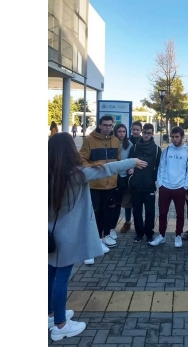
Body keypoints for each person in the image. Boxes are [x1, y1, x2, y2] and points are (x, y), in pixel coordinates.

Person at [48, 133, 146, 341]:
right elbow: (106, 168)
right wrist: (132, 161)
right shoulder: (76, 174)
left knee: (49, 275)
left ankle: (50, 314)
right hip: (65, 238)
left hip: (48, 236)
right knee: (62, 278)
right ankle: (60, 325)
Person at [79, 116, 121, 260]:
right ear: (99, 125)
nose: (108, 128)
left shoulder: (116, 141)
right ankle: (92, 242)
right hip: (95, 185)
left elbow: (118, 161)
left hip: (111, 185)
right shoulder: (89, 140)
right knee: (93, 215)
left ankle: (104, 236)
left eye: (110, 125)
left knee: (108, 212)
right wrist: (93, 166)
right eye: (105, 125)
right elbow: (82, 159)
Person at [151, 126, 188, 248]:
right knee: (162, 213)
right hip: (165, 187)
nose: (174, 139)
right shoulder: (167, 150)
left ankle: (178, 236)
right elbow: (161, 167)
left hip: (180, 187)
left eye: (177, 137)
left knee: (180, 214)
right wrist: (161, 183)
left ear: (182, 137)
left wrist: (185, 186)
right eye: (172, 137)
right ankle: (162, 236)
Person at [128, 123, 162, 243]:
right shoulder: (135, 147)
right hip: (136, 184)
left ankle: (149, 233)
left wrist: (154, 178)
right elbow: (129, 162)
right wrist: (131, 170)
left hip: (149, 186)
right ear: (142, 132)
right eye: (145, 133)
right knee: (136, 211)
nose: (146, 135)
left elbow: (159, 167)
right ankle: (139, 233)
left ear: (152, 134)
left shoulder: (157, 149)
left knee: (150, 212)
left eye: (149, 133)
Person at [109, 124, 133, 235]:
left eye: (124, 131)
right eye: (119, 131)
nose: (122, 134)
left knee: (126, 202)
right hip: (113, 177)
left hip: (125, 178)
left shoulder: (129, 145)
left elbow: (132, 160)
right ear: (115, 132)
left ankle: (127, 222)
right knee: (113, 203)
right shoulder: (110, 143)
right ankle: (111, 227)